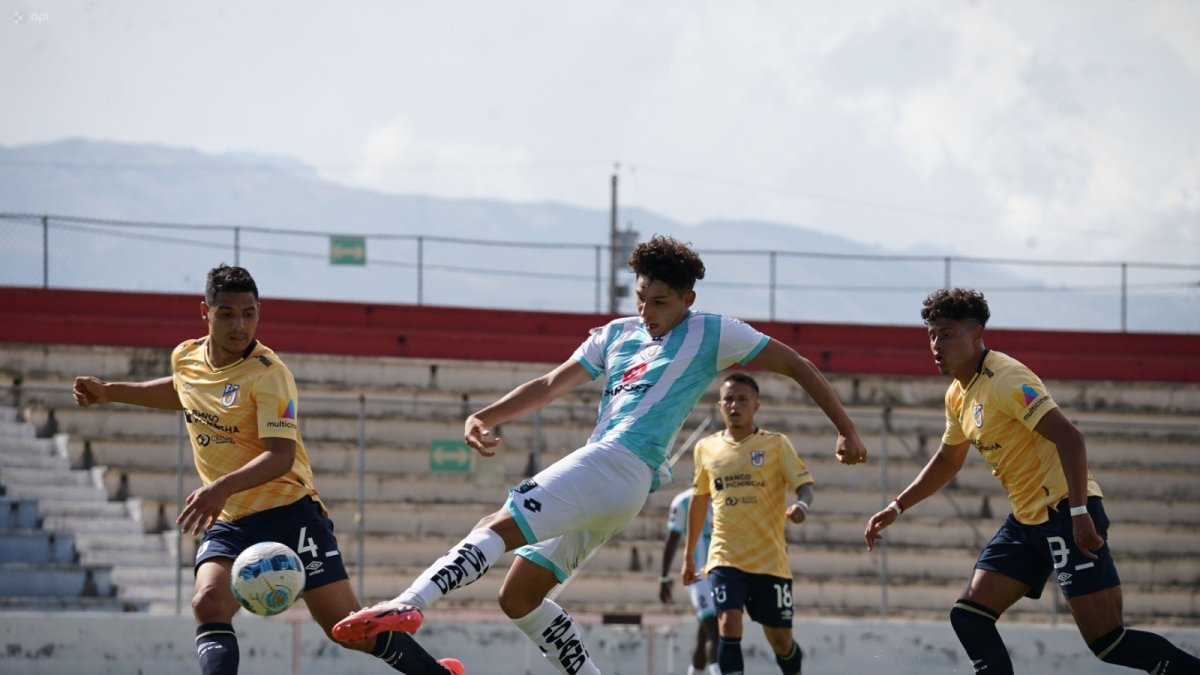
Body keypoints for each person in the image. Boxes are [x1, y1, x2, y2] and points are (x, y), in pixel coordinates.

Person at [333, 234, 868, 675]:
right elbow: (548, 384)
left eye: (660, 301)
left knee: (496, 523)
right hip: (611, 482)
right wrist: (486, 416)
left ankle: (407, 603)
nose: (647, 310)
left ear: (688, 300)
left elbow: (796, 363)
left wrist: (845, 429)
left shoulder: (712, 332)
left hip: (618, 464)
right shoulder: (616, 335)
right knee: (519, 596)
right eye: (641, 298)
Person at [71, 265, 462, 675]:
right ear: (203, 312)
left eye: (249, 313)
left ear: (259, 312)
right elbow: (183, 390)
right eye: (226, 313)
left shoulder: (269, 375)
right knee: (209, 603)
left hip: (291, 513)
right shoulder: (186, 356)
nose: (239, 325)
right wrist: (111, 392)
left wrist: (219, 487)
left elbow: (281, 455)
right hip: (232, 520)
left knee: (345, 629)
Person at [864, 287, 1200, 675]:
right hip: (1027, 523)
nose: (937, 344)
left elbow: (1070, 438)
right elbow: (948, 459)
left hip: (1066, 513)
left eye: (948, 333)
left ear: (976, 335)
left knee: (1110, 643)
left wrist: (1078, 513)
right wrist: (896, 506)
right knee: (969, 616)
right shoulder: (957, 394)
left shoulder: (1006, 378)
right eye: (932, 334)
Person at [683, 372, 814, 675]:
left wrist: (801, 504)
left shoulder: (777, 445)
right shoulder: (705, 449)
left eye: (742, 399)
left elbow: (804, 486)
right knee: (728, 622)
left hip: (769, 560)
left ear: (756, 406)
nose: (734, 405)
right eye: (728, 399)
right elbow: (699, 499)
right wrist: (689, 556)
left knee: (781, 640)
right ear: (719, 405)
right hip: (725, 556)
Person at [660, 487, 719, 675]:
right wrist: (664, 577)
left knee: (705, 635)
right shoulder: (683, 501)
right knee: (714, 628)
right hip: (698, 576)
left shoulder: (725, 497)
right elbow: (672, 540)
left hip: (722, 573)